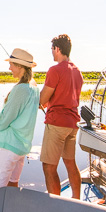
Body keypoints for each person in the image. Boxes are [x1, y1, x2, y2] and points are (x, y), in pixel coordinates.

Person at [0, 48, 40, 202]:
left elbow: (3, 121)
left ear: (20, 66)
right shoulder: (34, 88)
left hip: (8, 147)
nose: (9, 67)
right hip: (20, 148)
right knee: (12, 187)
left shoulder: (20, 89)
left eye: (11, 64)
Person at [40, 34, 84, 198]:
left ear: (57, 49)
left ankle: (56, 206)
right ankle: (76, 200)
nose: (51, 52)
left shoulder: (55, 70)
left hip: (57, 124)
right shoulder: (77, 72)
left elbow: (43, 98)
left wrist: (39, 102)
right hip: (72, 125)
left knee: (48, 166)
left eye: (52, 49)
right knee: (70, 163)